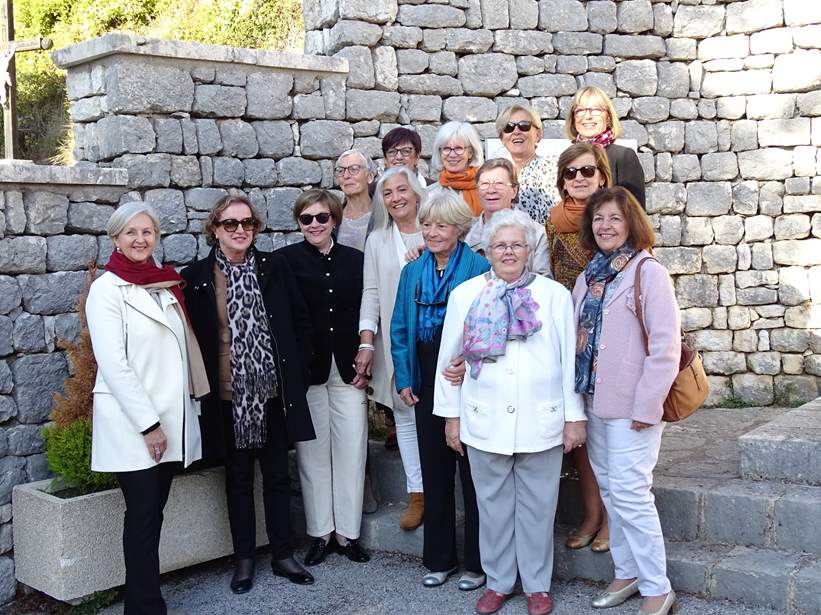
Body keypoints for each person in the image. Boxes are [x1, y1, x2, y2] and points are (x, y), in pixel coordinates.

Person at [433, 209, 586, 615]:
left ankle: (537, 585)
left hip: (541, 419)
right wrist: (451, 418)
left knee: (539, 508)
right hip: (484, 419)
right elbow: (449, 361)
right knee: (492, 508)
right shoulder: (465, 294)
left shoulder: (554, 295)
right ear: (487, 250)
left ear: (529, 250)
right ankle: (498, 581)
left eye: (517, 244)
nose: (508, 252)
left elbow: (568, 362)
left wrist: (574, 418)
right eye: (500, 245)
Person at [181, 195, 316, 592]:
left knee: (277, 476)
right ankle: (244, 560)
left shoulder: (274, 267)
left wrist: (297, 372)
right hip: (227, 397)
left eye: (247, 223)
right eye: (230, 223)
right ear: (215, 229)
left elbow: (301, 322)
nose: (240, 230)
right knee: (238, 479)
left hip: (273, 392)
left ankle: (283, 554)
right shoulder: (197, 276)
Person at [87, 202, 209, 614]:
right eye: (131, 232)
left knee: (152, 514)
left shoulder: (163, 284)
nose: (140, 240)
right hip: (134, 423)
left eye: (147, 232)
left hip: (171, 418)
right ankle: (143, 605)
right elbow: (114, 364)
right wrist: (149, 425)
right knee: (141, 515)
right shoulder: (107, 290)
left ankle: (145, 598)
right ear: (115, 238)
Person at [572, 186, 680, 615]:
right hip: (595, 402)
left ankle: (657, 586)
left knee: (632, 494)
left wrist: (648, 407)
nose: (605, 226)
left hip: (635, 407)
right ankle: (627, 570)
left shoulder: (648, 272)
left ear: (631, 222)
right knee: (611, 491)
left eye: (615, 218)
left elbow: (665, 347)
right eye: (598, 218)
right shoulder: (588, 276)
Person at [391, 190, 490, 590]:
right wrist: (404, 377)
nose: (431, 232)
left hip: (465, 376)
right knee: (434, 470)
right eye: (427, 224)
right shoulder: (412, 271)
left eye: (441, 225)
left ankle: (477, 563)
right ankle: (439, 558)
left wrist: (472, 359)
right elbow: (400, 327)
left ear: (459, 228)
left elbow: (490, 325)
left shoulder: (480, 267)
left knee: (472, 472)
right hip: (424, 375)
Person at [277, 189, 371, 567]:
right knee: (312, 455)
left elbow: (370, 308)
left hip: (350, 370)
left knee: (352, 450)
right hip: (308, 372)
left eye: (322, 217)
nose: (314, 224)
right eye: (307, 219)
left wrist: (368, 352)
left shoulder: (357, 260)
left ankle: (347, 534)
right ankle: (321, 533)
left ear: (334, 219)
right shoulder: (284, 261)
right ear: (299, 222)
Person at [548, 143, 613, 553]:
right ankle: (591, 514)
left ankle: (612, 518)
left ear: (602, 175)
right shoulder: (554, 220)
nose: (579, 178)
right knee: (582, 433)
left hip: (612, 337)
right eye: (570, 172)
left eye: (587, 170)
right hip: (570, 337)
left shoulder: (615, 216)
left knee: (611, 434)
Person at [357, 166, 426, 531]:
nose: (396, 198)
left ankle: (444, 486)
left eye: (402, 189)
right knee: (405, 415)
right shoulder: (377, 241)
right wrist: (367, 341)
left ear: (416, 193)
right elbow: (370, 293)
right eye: (388, 193)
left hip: (435, 340)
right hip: (396, 342)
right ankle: (418, 494)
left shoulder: (435, 230)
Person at [464, 158, 551, 277]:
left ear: (514, 191)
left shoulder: (537, 234)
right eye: (484, 184)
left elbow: (543, 281)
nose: (491, 190)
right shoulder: (464, 233)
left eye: (499, 184)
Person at [566, 86, 645, 207]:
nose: (588, 116)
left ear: (608, 117)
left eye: (596, 110)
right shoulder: (567, 158)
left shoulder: (623, 157)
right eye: (580, 110)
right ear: (573, 118)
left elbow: (635, 211)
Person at [496, 103, 558, 224]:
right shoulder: (496, 174)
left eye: (524, 126)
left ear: (538, 134)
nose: (516, 131)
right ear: (502, 138)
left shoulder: (553, 168)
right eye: (509, 127)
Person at [429, 121, 485, 216]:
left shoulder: (486, 190)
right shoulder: (430, 194)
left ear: (470, 153)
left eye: (458, 148)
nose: (452, 155)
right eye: (446, 148)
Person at [335, 148, 376, 251]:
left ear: (370, 176)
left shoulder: (384, 216)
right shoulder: (333, 218)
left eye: (353, 169)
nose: (346, 176)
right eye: (341, 171)